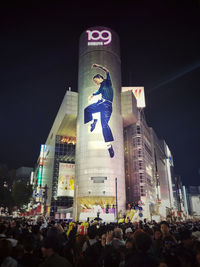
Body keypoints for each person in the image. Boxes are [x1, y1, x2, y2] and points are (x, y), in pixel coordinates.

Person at [84, 64, 114, 158]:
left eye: (96, 81)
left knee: (104, 125)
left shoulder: (107, 81)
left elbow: (107, 70)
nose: (96, 83)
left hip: (107, 106)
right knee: (87, 109)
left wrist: (98, 66)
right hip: (101, 103)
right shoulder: (101, 87)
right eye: (95, 82)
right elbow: (98, 92)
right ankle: (93, 122)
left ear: (100, 78)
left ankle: (109, 146)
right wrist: (92, 94)